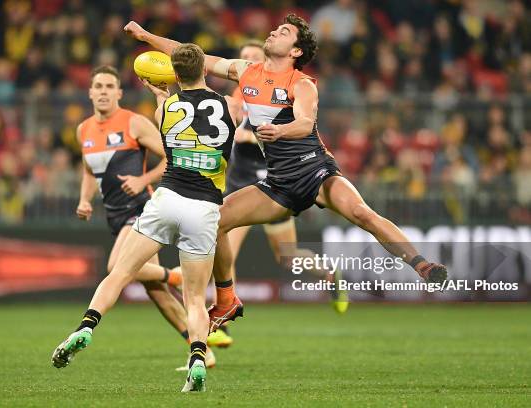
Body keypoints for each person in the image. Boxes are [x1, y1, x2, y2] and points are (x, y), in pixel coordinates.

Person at [123, 13, 448, 331]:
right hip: (279, 183)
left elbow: (306, 122)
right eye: (276, 29)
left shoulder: (302, 84)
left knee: (361, 213)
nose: (274, 33)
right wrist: (146, 37)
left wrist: (282, 131)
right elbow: (194, 57)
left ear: (296, 51)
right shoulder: (247, 73)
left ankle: (421, 264)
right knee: (215, 220)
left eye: (284, 32)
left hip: (315, 171)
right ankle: (226, 299)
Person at [51, 46, 238, 392]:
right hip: (204, 207)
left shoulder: (164, 108)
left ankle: (86, 326)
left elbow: (169, 140)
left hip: (164, 200)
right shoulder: (227, 105)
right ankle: (198, 357)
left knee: (120, 272)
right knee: (195, 299)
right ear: (206, 70)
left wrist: (162, 94)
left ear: (173, 76)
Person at [207, 40, 348, 349]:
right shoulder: (234, 100)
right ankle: (222, 323)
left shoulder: (286, 91)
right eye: (243, 58)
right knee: (224, 243)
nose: (247, 62)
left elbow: (304, 127)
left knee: (287, 255)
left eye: (252, 57)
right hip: (244, 187)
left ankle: (328, 273)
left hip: (280, 185)